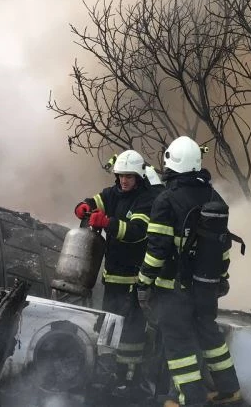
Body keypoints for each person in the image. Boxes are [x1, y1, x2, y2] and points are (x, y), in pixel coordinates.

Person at [137, 136, 242, 407]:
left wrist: (144, 280)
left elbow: (157, 249)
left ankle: (189, 399)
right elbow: (223, 246)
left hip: (174, 289)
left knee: (179, 343)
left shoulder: (166, 200)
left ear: (170, 162)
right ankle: (229, 390)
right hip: (206, 286)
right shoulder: (212, 196)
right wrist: (221, 278)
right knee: (209, 335)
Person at [74, 149, 158, 397]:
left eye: (129, 177)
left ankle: (130, 379)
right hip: (112, 276)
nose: (124, 181)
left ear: (139, 176)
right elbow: (96, 201)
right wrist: (83, 206)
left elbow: (136, 231)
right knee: (109, 327)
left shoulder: (146, 199)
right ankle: (111, 375)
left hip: (134, 279)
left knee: (131, 333)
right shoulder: (114, 193)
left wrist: (107, 223)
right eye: (121, 176)